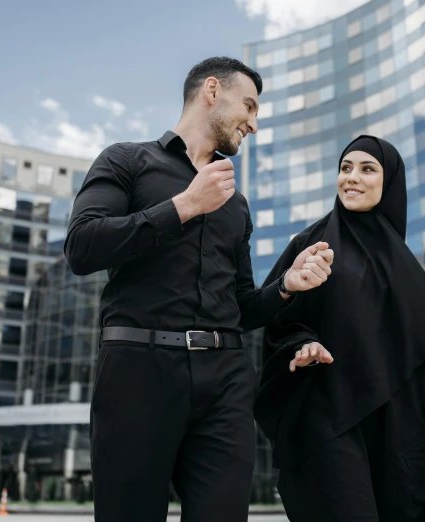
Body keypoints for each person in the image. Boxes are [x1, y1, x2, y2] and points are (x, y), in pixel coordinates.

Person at [64, 57, 334, 522]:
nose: (254, 122)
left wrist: (286, 286)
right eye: (248, 106)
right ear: (212, 90)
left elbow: (244, 307)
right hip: (138, 373)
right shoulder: (126, 159)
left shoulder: (237, 203)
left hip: (226, 381)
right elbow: (83, 247)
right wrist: (185, 206)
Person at [255, 135, 425, 521]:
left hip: (391, 421)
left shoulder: (400, 261)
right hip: (328, 414)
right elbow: (278, 319)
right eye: (345, 168)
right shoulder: (310, 243)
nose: (351, 178)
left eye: (367, 169)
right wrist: (303, 342)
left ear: (389, 182)